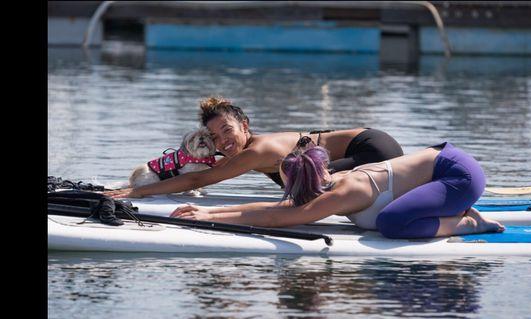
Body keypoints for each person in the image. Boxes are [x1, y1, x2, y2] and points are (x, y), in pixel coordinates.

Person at [170, 141, 504, 239]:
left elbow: (276, 217)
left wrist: (206, 215)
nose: (286, 192)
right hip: (438, 168)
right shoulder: (326, 181)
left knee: (392, 224)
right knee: (391, 217)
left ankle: (469, 223)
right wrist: (209, 212)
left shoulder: (344, 193)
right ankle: (451, 211)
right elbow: (280, 209)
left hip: (458, 174)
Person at [105, 97, 404, 198]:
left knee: (320, 186)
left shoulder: (257, 151)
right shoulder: (236, 151)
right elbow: (191, 171)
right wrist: (145, 180)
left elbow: (198, 180)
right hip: (368, 146)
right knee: (313, 187)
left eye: (228, 131)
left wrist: (138, 193)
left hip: (370, 148)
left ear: (245, 125)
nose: (223, 142)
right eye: (215, 137)